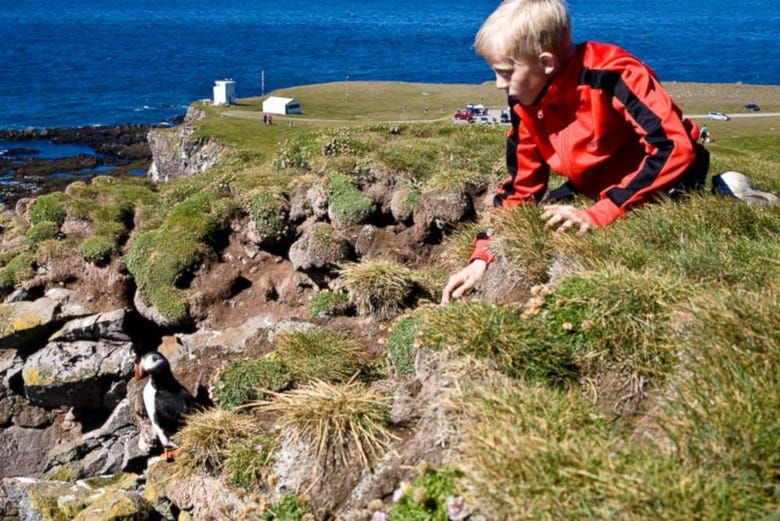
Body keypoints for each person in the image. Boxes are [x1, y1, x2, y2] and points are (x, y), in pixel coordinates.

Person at [441, 0, 708, 304]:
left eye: (505, 72)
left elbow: (673, 147)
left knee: (630, 237)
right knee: (543, 222)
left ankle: (733, 191)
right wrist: (482, 257)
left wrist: (601, 214)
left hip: (670, 178)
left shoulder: (613, 73)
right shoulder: (525, 99)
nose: (500, 85)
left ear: (546, 63)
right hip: (593, 186)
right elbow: (521, 187)